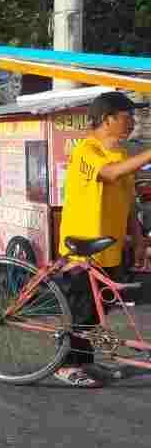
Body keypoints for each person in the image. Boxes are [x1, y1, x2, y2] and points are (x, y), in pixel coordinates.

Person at [52, 92, 151, 388]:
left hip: (110, 248)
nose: (132, 122)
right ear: (108, 119)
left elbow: (129, 203)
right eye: (127, 116)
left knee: (96, 311)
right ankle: (66, 365)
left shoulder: (121, 155)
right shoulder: (86, 150)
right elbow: (108, 174)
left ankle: (86, 362)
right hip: (83, 248)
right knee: (81, 310)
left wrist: (139, 239)